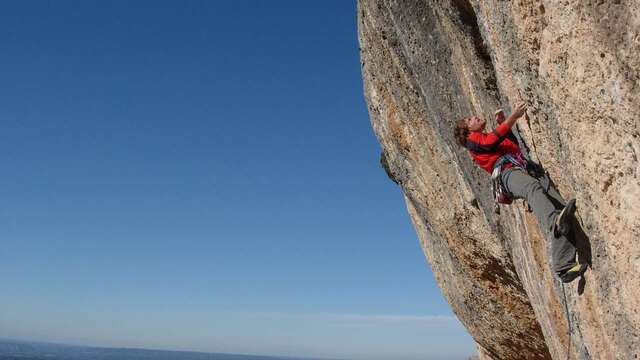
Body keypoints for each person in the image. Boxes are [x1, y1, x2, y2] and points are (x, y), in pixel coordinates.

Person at [453, 102, 588, 283]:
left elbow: (512, 146)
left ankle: (564, 266)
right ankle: (553, 221)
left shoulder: (484, 138)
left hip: (524, 170)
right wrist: (512, 118)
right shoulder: (473, 141)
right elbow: (490, 143)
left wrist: (505, 126)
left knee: (562, 210)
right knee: (534, 192)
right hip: (508, 175)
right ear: (467, 131)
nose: (475, 117)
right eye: (470, 120)